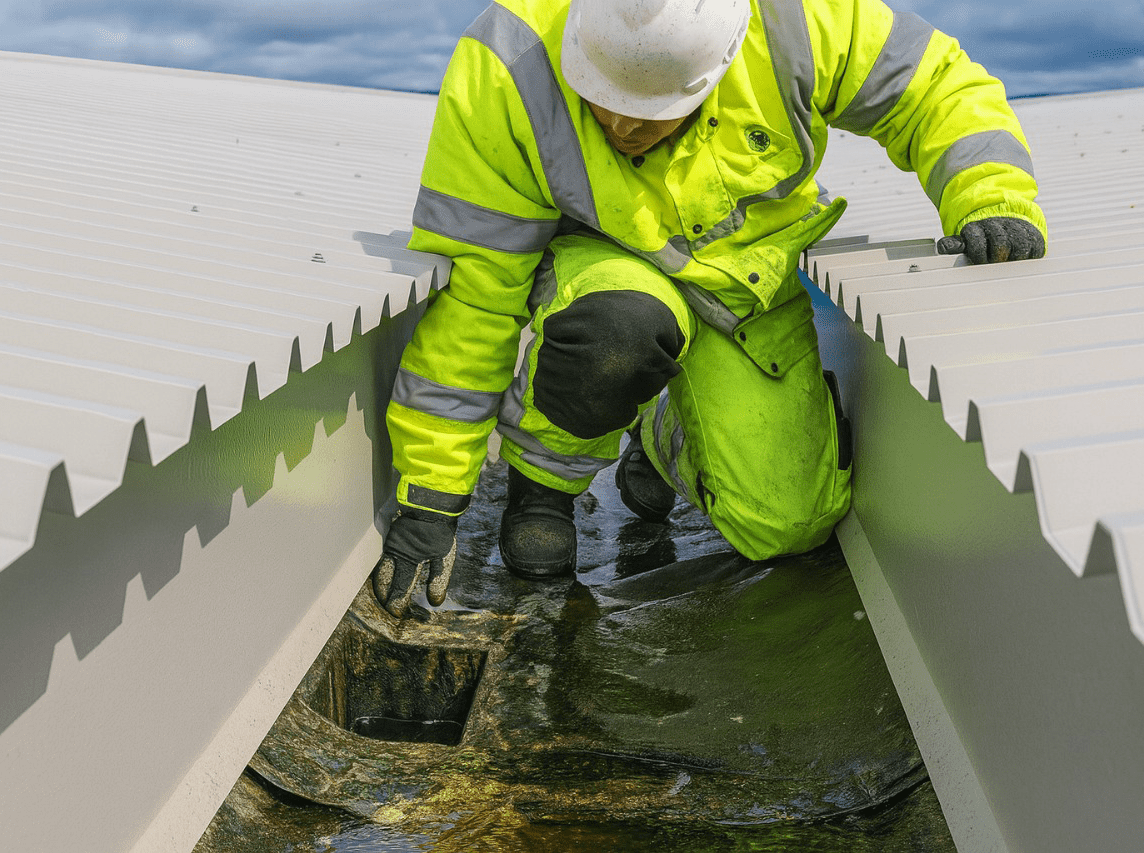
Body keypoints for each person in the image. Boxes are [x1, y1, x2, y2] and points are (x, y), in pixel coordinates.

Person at [371, 0, 1047, 617]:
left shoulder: (797, 22)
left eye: (651, 108)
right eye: (602, 99)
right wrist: (430, 494)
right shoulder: (507, 67)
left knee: (787, 524)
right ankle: (543, 480)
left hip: (746, 287)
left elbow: (935, 85)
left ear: (719, 65)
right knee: (617, 334)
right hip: (610, 268)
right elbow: (476, 296)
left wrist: (989, 197)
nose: (623, 124)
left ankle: (659, 435)